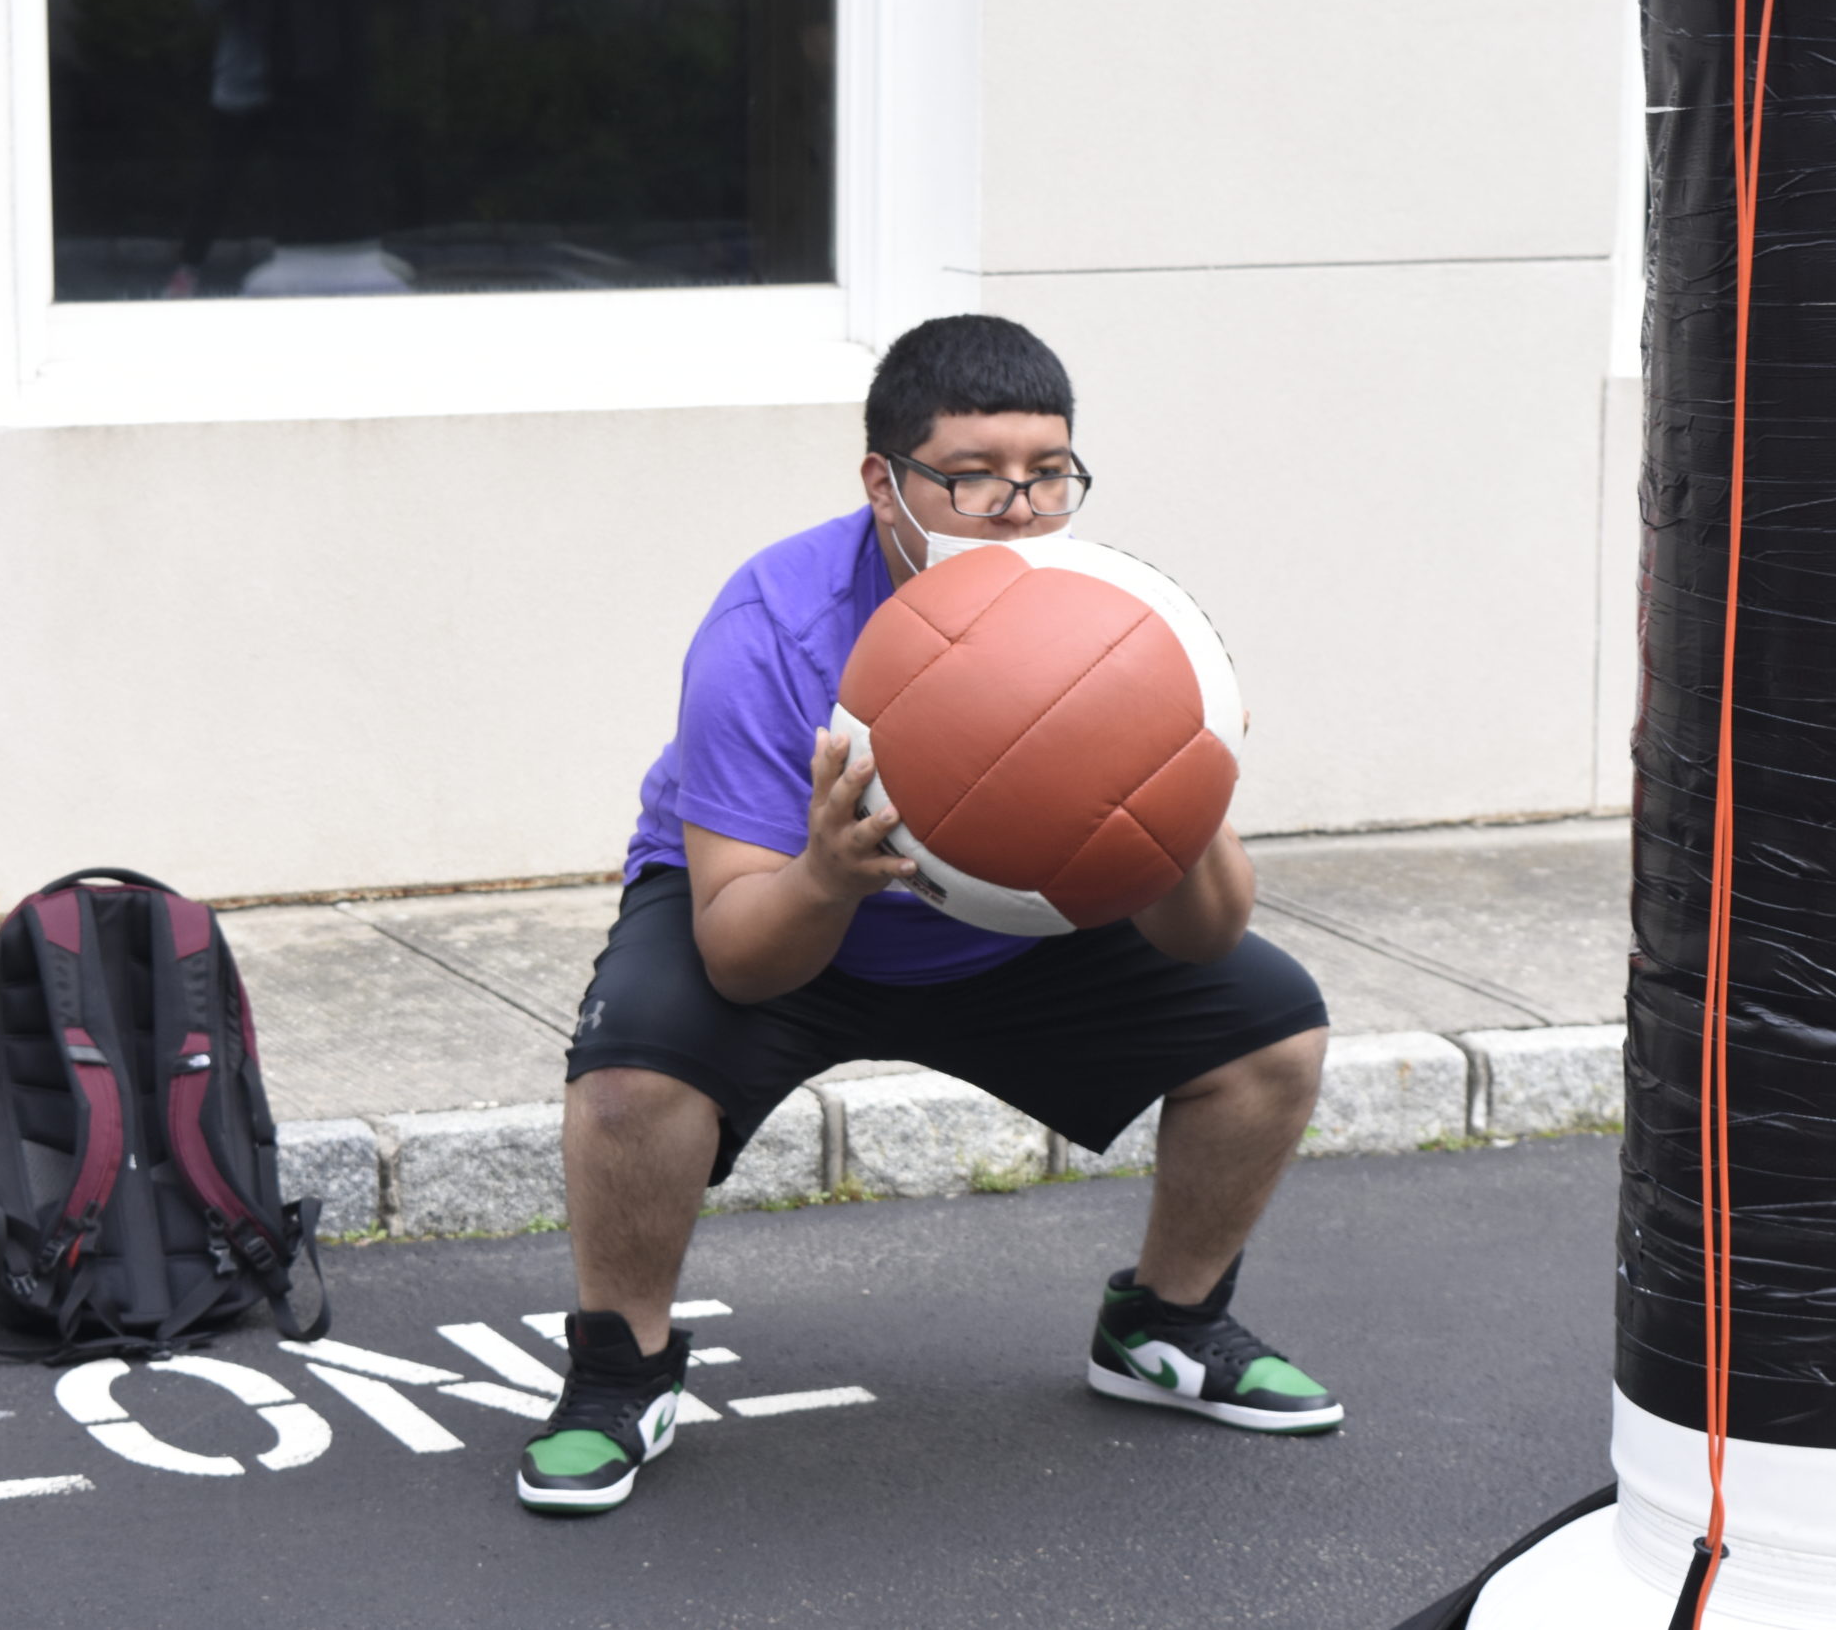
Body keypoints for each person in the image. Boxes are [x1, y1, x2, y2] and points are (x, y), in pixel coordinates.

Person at [522, 314, 1338, 1515]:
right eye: (968, 476)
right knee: (632, 1078)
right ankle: (617, 1373)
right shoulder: (772, 633)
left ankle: (1163, 1325)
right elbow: (741, 957)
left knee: (1271, 1032)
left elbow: (1202, 936)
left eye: (1046, 473)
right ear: (885, 483)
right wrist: (829, 876)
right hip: (792, 908)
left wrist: (1183, 794)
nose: (1014, 508)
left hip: (1019, 919)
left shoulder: (1121, 624)